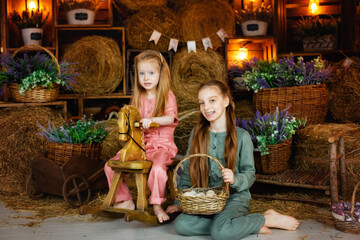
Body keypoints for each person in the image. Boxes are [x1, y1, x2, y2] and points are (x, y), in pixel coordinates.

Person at [165, 80, 299, 239]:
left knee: (220, 234)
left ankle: (266, 219)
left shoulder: (242, 136)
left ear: (226, 101)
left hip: (234, 199)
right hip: (207, 200)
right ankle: (238, 225)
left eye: (212, 100)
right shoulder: (197, 133)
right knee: (182, 224)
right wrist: (180, 202)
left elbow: (250, 175)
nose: (206, 107)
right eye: (202, 103)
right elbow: (187, 169)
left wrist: (235, 179)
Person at [104, 50, 178, 223]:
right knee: (110, 165)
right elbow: (131, 117)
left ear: (161, 74)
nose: (146, 78)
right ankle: (126, 200)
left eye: (151, 73)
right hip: (140, 145)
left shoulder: (167, 95)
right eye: (141, 73)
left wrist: (151, 120)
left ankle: (157, 204)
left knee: (158, 169)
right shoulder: (138, 97)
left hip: (162, 145)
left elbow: (170, 118)